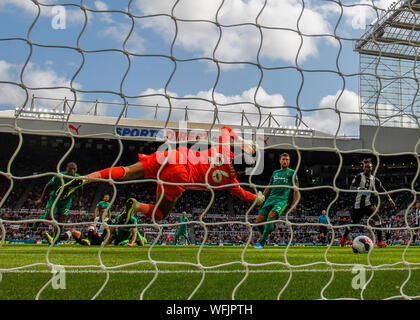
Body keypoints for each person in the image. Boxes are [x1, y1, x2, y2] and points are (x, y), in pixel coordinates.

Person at [60, 126, 265, 223]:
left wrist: (240, 141)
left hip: (175, 155)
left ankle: (85, 178)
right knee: (160, 214)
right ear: (244, 170)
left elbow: (226, 128)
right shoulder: (230, 181)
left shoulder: (223, 149)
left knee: (128, 171)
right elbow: (244, 195)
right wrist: (258, 199)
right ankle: (137, 206)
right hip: (180, 176)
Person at [340, 158, 395, 248]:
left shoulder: (375, 179)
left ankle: (380, 241)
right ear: (363, 168)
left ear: (371, 168)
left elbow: (383, 189)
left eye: (368, 167)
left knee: (377, 218)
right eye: (365, 167)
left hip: (368, 204)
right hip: (358, 205)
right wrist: (359, 189)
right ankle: (344, 237)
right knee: (353, 224)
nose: (367, 169)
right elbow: (351, 187)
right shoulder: (359, 177)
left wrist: (390, 199)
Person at [255, 153, 299, 249]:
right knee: (258, 222)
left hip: (281, 201)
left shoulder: (292, 173)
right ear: (280, 161)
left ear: (289, 161)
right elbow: (269, 186)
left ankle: (260, 244)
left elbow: (296, 189)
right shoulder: (275, 173)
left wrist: (294, 203)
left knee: (270, 217)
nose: (285, 161)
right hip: (270, 199)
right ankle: (267, 235)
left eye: (287, 159)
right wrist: (262, 197)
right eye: (283, 159)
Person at [32, 162, 82, 245]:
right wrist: (41, 199)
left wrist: (79, 200)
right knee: (49, 217)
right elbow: (48, 185)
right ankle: (39, 220)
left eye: (74, 169)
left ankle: (55, 239)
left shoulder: (78, 178)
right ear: (67, 169)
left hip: (66, 202)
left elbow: (81, 189)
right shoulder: (59, 176)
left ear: (76, 170)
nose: (72, 171)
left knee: (61, 220)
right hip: (54, 199)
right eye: (70, 168)